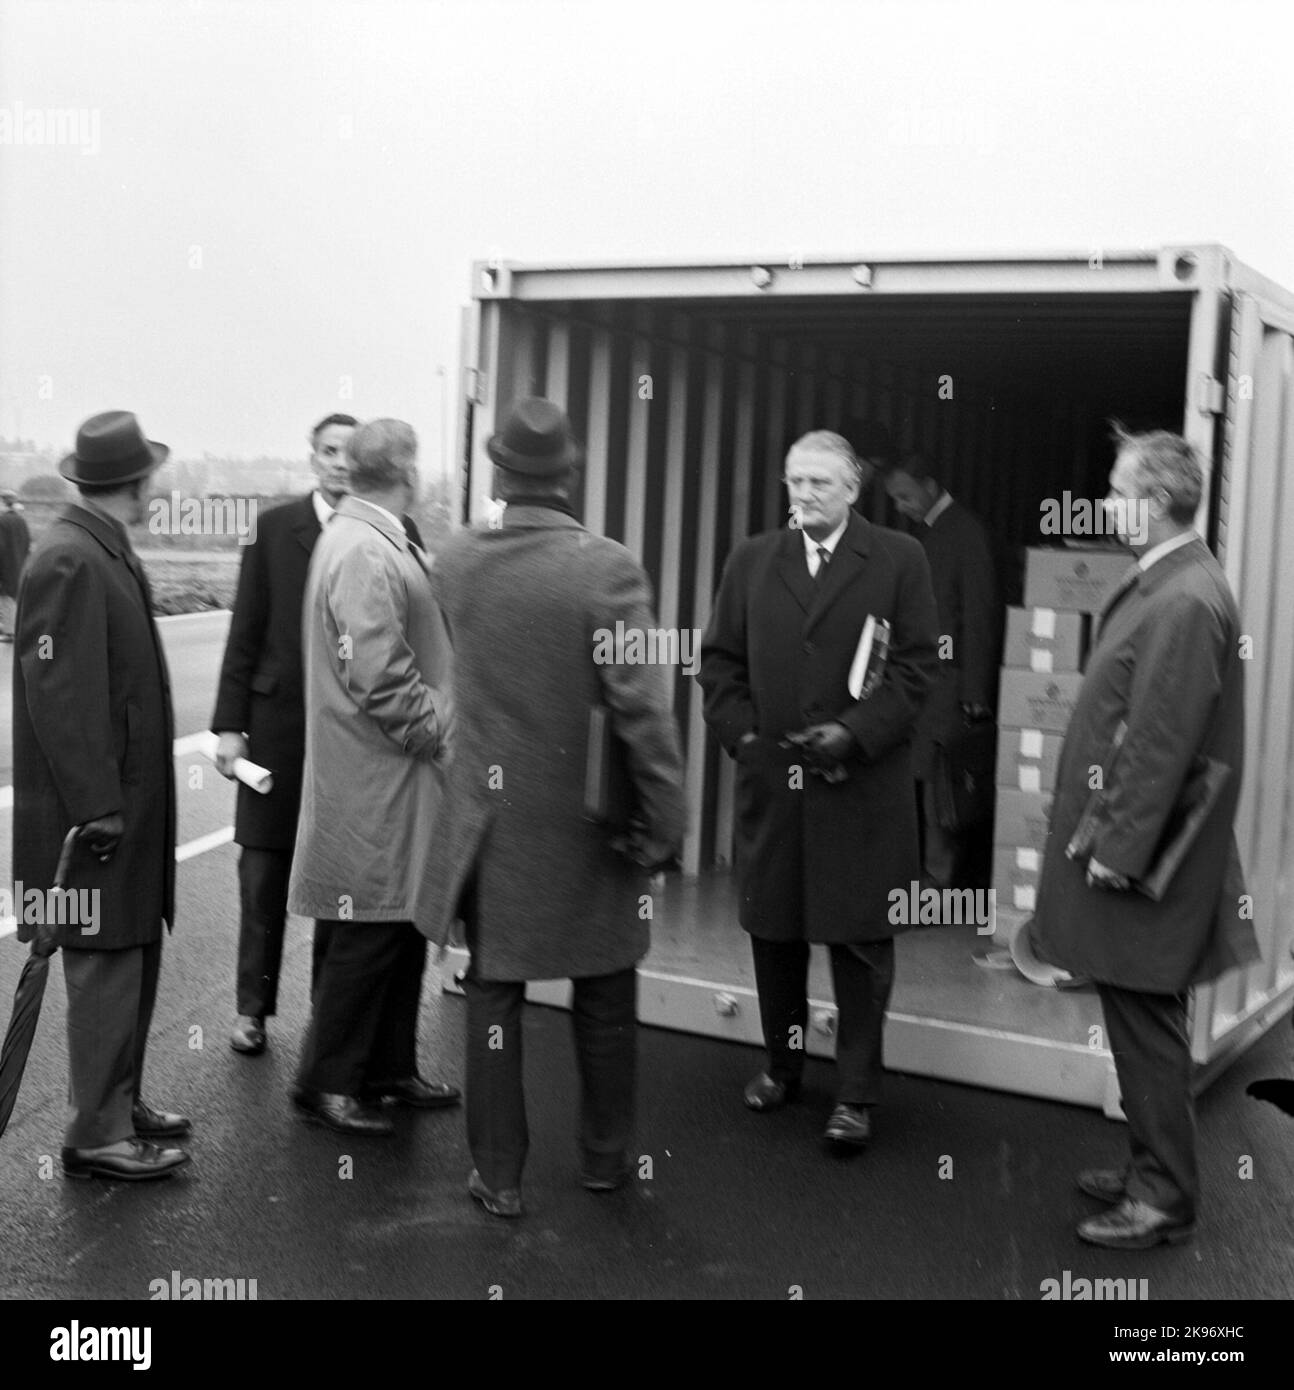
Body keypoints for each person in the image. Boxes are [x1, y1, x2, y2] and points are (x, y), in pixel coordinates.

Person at [420, 397, 687, 1217]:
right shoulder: (608, 569)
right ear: (572, 474)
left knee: (494, 993)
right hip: (589, 820)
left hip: (491, 822)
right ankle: (605, 1160)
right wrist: (667, 817)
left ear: (498, 474)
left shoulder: (454, 560)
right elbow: (641, 709)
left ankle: (497, 1174)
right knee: (606, 989)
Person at [1031, 426, 1258, 1250]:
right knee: (1135, 1015)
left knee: (1145, 1022)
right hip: (1133, 844)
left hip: (1141, 857)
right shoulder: (1169, 581)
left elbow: (1160, 740)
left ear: (1155, 501)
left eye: (1116, 488)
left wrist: (1117, 854)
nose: (1104, 502)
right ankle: (1148, 1164)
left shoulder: (1187, 596)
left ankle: (1163, 1196)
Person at [699, 430, 939, 1147]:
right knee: (775, 934)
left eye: (819, 484)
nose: (803, 495)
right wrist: (744, 737)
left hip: (860, 789)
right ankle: (783, 1066)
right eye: (794, 482)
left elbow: (917, 669)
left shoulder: (900, 559)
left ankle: (856, 1096)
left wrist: (856, 733)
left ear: (853, 488)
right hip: (775, 785)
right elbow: (719, 664)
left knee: (860, 945)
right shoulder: (752, 560)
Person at [12, 411, 189, 1180]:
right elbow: (59, 695)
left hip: (123, 809)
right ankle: (95, 1135)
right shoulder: (70, 559)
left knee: (131, 953)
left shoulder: (93, 547)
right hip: (94, 820)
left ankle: (120, 1101)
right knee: (103, 964)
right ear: (137, 481)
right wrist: (95, 806)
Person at [287, 418, 459, 1137]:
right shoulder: (365, 548)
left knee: (395, 926)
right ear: (409, 472)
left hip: (382, 777)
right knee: (367, 933)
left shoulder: (367, 534)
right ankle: (327, 1082)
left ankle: (388, 1068)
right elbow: (380, 675)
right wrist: (439, 733)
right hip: (380, 776)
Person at [210, 412, 357, 1056]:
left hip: (351, 742)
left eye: (350, 454)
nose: (340, 464)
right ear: (312, 457)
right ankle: (252, 1011)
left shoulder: (384, 532)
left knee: (338, 877)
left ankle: (330, 1011)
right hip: (275, 735)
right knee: (263, 876)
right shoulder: (273, 530)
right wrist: (229, 728)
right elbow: (245, 629)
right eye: (329, 451)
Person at [882, 453, 1001, 889]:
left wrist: (975, 690)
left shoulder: (965, 531)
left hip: (951, 686)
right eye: (895, 498)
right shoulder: (929, 531)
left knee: (940, 789)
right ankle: (926, 879)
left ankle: (939, 885)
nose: (900, 506)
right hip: (923, 682)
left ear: (930, 484)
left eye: (906, 496)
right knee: (920, 781)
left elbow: (980, 613)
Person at [0, 488, 32, 641]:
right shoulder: (21, 520)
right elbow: (27, 543)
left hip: (6, 563)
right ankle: (15, 628)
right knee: (16, 596)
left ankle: (9, 631)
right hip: (20, 562)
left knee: (6, 597)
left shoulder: (2, 521)